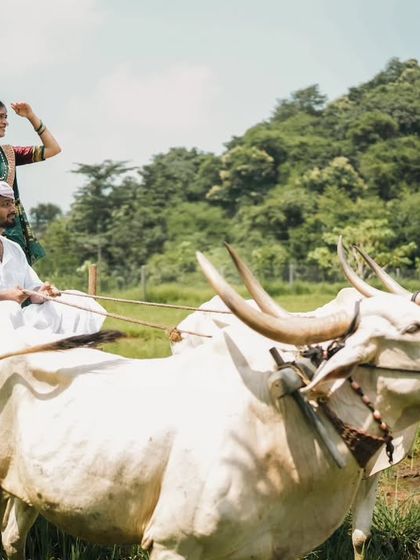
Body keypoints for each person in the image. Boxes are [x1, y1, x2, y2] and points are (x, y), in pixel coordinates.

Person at [0, 181, 105, 336]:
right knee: (7, 309)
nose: (13, 209)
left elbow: (34, 291)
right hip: (5, 321)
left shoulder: (14, 249)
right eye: (6, 204)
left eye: (13, 203)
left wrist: (44, 293)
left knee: (75, 301)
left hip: (16, 321)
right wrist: (4, 297)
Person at [0, 100, 61, 264]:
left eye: (5, 117)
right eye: (0, 117)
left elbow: (53, 149)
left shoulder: (9, 155)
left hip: (10, 232)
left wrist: (31, 116)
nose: (5, 122)